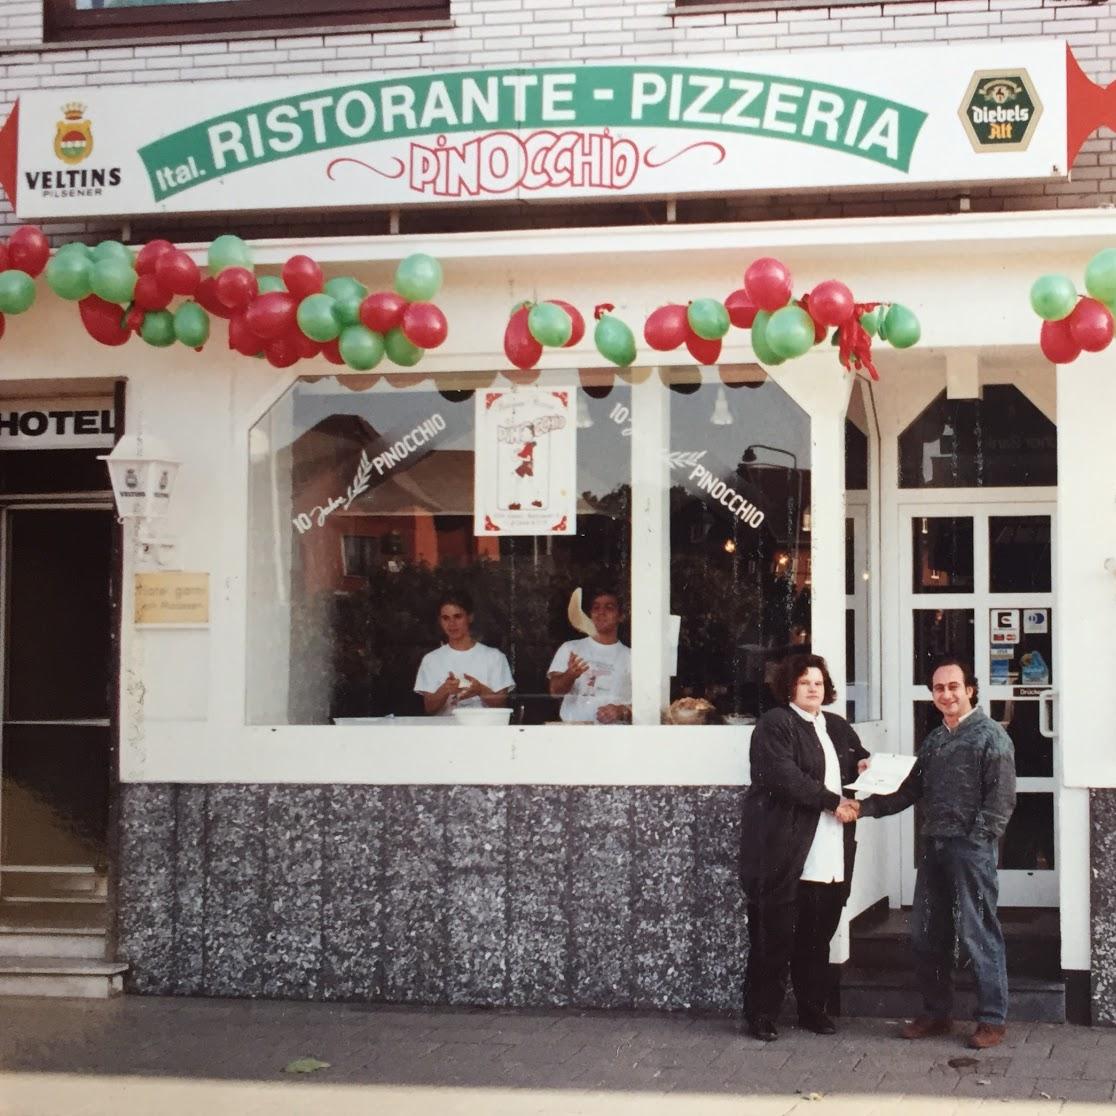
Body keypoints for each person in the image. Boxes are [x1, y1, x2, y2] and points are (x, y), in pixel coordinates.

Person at [854, 657, 1016, 1050]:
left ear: (970, 689)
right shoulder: (935, 740)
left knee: (978, 933)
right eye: (939, 689)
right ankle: (937, 1012)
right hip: (934, 847)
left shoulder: (991, 737)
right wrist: (864, 805)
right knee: (926, 933)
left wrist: (978, 839)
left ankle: (992, 1020)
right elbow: (909, 790)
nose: (946, 695)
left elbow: (1001, 801)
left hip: (970, 850)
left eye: (953, 687)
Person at [738, 654, 869, 1042]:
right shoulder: (775, 724)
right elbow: (784, 777)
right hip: (787, 849)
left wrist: (865, 765)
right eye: (804, 681)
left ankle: (813, 1010)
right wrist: (832, 801)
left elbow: (857, 758)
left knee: (818, 936)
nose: (814, 688)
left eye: (818, 681)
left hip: (829, 847)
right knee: (774, 936)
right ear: (789, 687)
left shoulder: (837, 726)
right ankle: (761, 1014)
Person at [413, 591, 514, 716]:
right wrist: (445, 689)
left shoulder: (494, 657)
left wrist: (480, 690)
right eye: (446, 618)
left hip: (483, 730)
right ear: (440, 621)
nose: (452, 624)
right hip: (443, 731)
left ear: (470, 617)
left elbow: (502, 705)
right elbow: (429, 708)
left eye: (458, 616)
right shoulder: (431, 660)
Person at [547, 589, 632, 724]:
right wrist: (570, 675)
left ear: (621, 616)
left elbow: (646, 705)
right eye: (596, 607)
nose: (601, 612)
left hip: (615, 736)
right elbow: (554, 691)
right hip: (575, 732)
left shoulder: (631, 657)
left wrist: (621, 711)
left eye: (609, 608)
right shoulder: (571, 648)